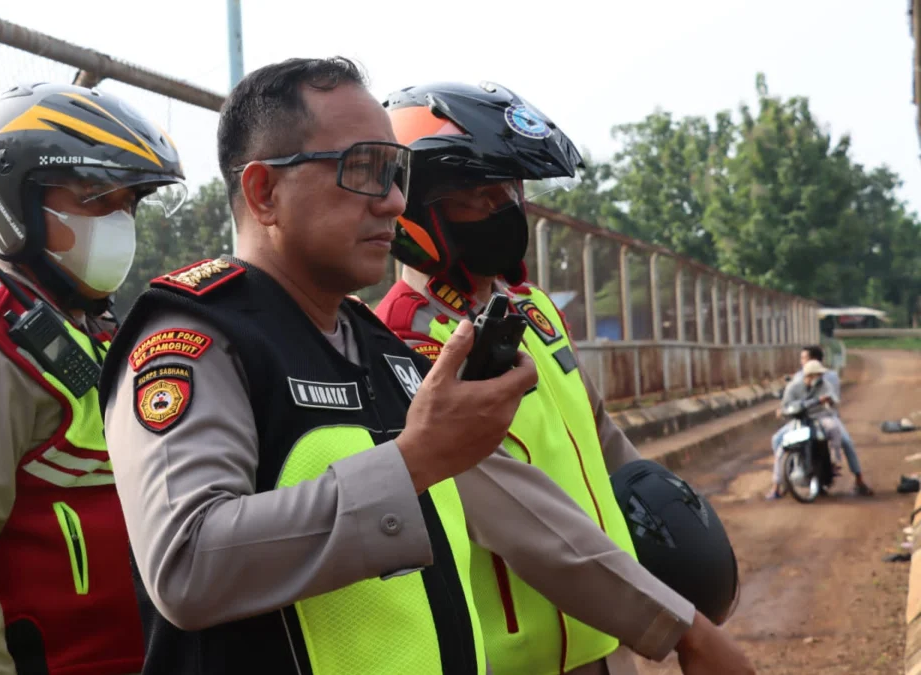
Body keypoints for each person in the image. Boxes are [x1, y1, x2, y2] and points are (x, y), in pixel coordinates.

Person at [99, 56, 755, 675]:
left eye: (397, 175)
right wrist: (413, 462)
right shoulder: (197, 335)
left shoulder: (379, 352)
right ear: (264, 189)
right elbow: (185, 565)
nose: (390, 202)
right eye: (363, 170)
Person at [374, 79, 740, 674]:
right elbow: (527, 527)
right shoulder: (405, 344)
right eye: (478, 196)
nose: (506, 210)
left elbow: (602, 438)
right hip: (521, 662)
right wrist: (679, 627)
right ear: (416, 209)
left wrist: (678, 539)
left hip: (609, 644)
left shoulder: (533, 311)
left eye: (509, 190)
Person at [0, 82, 188, 675]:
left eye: (128, 204)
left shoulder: (93, 326)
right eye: (95, 199)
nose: (118, 222)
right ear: (16, 202)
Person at [768, 346, 871, 499]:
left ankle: (858, 479)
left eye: (804, 358)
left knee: (846, 441)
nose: (801, 362)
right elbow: (789, 400)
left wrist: (821, 401)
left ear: (813, 361)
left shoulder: (829, 377)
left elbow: (831, 398)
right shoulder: (798, 378)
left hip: (825, 415)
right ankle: (780, 483)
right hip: (802, 417)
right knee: (777, 439)